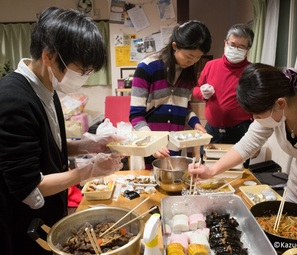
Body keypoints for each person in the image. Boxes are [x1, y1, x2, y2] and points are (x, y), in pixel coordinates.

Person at [0, 7, 123, 255]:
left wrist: (88, 145)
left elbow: (46, 146)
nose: (85, 77)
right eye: (81, 70)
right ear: (48, 57)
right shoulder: (12, 100)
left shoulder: (48, 88)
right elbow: (30, 185)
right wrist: (88, 171)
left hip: (50, 213)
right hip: (23, 226)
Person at [189, 63, 297, 212]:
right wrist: (211, 171)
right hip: (294, 196)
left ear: (280, 103)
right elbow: (246, 145)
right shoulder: (277, 110)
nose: (255, 119)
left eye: (258, 115)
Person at [129, 20, 212, 169]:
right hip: (149, 146)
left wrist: (195, 123)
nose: (192, 62)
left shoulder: (188, 72)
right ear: (175, 46)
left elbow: (184, 106)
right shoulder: (147, 68)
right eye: (189, 56)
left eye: (198, 58)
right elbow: (136, 115)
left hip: (176, 146)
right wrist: (151, 143)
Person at [192, 24, 254, 166]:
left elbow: (259, 105)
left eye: (241, 46)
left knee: (237, 173)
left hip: (240, 131)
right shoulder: (211, 65)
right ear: (225, 43)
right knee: (207, 171)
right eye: (232, 44)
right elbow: (195, 89)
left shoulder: (251, 71)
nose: (235, 49)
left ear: (248, 49)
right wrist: (201, 93)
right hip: (211, 129)